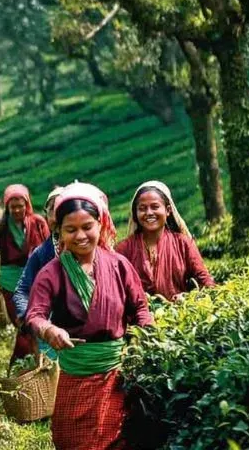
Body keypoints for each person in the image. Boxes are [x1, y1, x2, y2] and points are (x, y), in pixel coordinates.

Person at [26, 182, 153, 450]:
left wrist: (147, 334)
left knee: (115, 440)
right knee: (73, 441)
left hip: (114, 376)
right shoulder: (52, 272)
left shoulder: (119, 265)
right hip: (75, 378)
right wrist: (50, 331)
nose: (81, 236)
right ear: (59, 231)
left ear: (100, 225)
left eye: (87, 227)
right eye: (71, 230)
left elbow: (140, 308)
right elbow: (35, 314)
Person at [115, 180, 216, 302]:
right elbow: (114, 291)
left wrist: (186, 297)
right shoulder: (123, 249)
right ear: (135, 214)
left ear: (168, 210)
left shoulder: (183, 243)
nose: (149, 213)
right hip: (138, 320)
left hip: (179, 315)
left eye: (155, 207)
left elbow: (206, 283)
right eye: (142, 208)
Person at [0, 184, 50, 361]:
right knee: (23, 325)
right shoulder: (1, 227)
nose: (18, 210)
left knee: (37, 323)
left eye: (21, 206)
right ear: (7, 208)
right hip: (10, 283)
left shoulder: (38, 223)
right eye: (13, 207)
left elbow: (51, 251)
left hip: (36, 281)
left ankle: (31, 363)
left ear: (27, 204)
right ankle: (29, 363)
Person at [12, 185, 65, 323]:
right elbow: (22, 290)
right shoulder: (41, 253)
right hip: (50, 329)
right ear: (46, 215)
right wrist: (31, 318)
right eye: (52, 209)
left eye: (63, 207)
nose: (57, 215)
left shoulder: (97, 252)